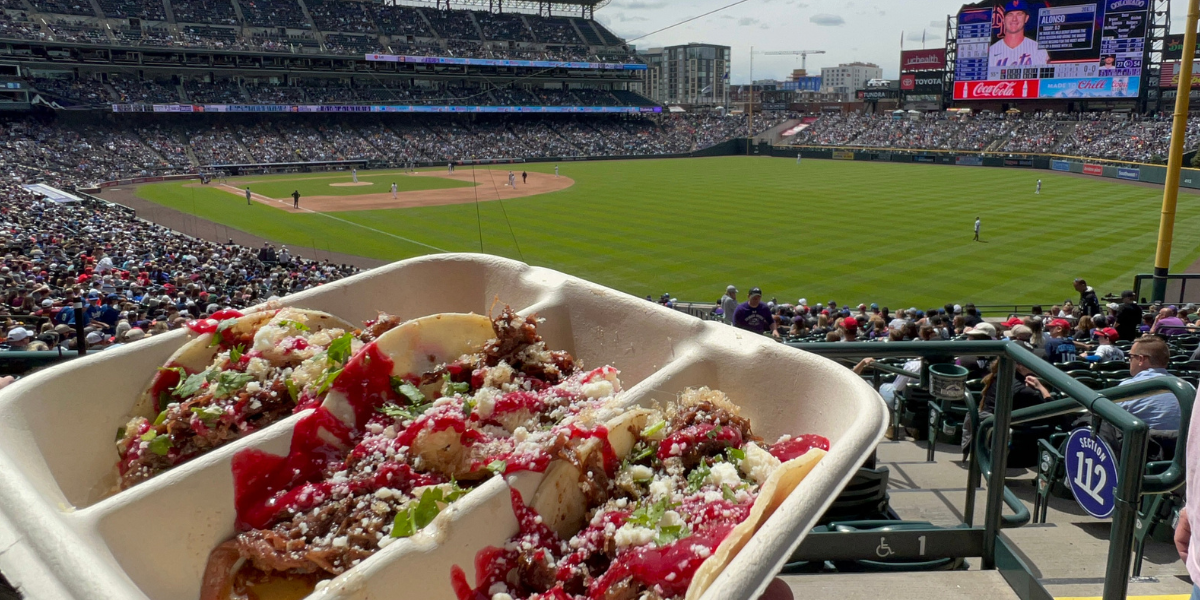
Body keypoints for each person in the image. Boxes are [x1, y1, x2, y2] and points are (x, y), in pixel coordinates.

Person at [1119, 336, 1181, 431]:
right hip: (1182, 445)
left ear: (1141, 359)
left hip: (1144, 445)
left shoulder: (1128, 387)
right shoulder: (1185, 387)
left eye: (1131, 357)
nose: (1129, 361)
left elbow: (1105, 419)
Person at [988, 0, 1050, 77]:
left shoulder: (1038, 50)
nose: (1014, 19)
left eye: (1019, 14)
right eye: (1010, 14)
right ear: (1004, 19)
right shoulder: (991, 51)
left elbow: (1043, 82)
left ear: (1026, 18)